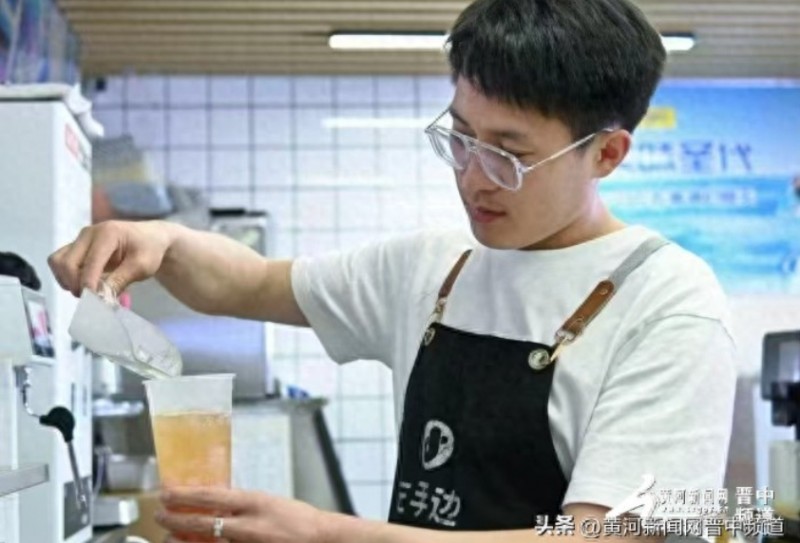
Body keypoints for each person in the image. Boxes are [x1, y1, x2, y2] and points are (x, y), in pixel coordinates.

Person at [49, 0, 737, 541]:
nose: (473, 176)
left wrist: (326, 534)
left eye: (509, 153)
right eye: (460, 137)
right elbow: (251, 282)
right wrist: (164, 242)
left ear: (607, 154)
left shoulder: (666, 301)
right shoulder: (435, 266)